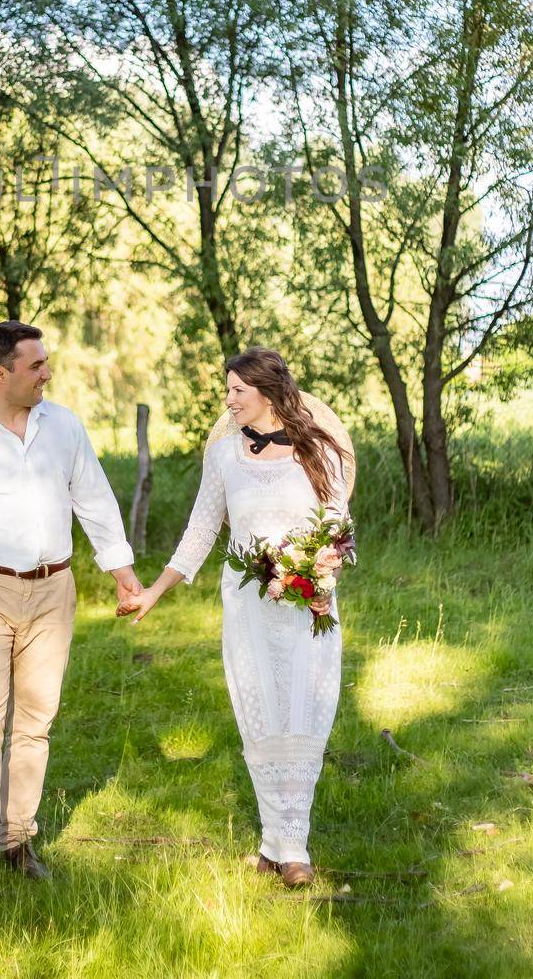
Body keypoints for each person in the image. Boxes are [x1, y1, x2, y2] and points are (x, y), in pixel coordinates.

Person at [0, 320, 142, 885]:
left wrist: (123, 575)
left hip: (52, 589)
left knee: (36, 718)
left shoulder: (63, 427)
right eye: (36, 365)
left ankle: (17, 839)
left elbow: (95, 501)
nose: (47, 373)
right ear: (0, 373)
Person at [117, 347, 355, 888]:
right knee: (260, 715)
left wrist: (323, 574)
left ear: (267, 393)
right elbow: (202, 531)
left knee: (304, 713)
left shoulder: (322, 453)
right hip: (248, 604)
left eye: (236, 392)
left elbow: (339, 527)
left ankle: (295, 847)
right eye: (227, 391)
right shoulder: (225, 457)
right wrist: (154, 591)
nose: (228, 401)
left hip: (306, 604)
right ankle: (276, 845)